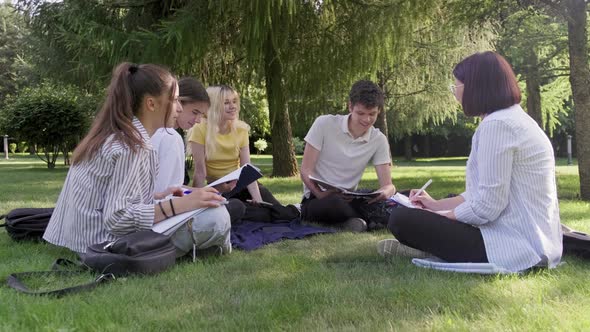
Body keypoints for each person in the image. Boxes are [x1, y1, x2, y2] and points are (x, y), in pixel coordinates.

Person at [378, 51, 562, 273]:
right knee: (423, 209)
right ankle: (436, 246)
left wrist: (438, 216)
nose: (455, 94)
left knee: (401, 218)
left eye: (457, 86)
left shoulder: (498, 125)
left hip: (513, 247)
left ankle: (431, 249)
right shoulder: (513, 119)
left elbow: (487, 206)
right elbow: (480, 192)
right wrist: (436, 205)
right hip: (531, 241)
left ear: (476, 87)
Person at [43, 63, 227, 256]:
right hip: (103, 245)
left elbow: (108, 196)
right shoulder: (132, 146)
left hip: (80, 240)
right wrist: (181, 204)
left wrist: (159, 196)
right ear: (151, 104)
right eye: (174, 100)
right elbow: (117, 219)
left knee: (211, 211)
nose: (180, 108)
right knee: (215, 217)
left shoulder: (116, 134)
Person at [150, 77, 235, 254]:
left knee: (223, 205)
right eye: (195, 112)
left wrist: (199, 192)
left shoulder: (155, 132)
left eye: (201, 115)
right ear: (177, 103)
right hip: (157, 220)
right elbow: (163, 195)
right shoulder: (169, 137)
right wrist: (195, 198)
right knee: (222, 213)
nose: (197, 120)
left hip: (155, 214)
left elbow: (168, 189)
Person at [300, 80, 396, 232]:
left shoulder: (378, 139)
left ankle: (354, 222)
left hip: (350, 199)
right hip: (318, 199)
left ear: (379, 110)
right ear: (350, 106)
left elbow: (388, 185)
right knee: (335, 204)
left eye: (372, 114)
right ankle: (370, 219)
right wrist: (321, 194)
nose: (366, 120)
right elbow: (305, 171)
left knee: (404, 195)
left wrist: (386, 192)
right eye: (361, 113)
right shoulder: (324, 124)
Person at [189, 85, 284, 219]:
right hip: (217, 190)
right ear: (214, 105)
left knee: (273, 208)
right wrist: (197, 203)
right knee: (238, 207)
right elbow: (200, 172)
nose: (232, 106)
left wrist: (257, 199)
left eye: (234, 101)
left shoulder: (241, 129)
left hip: (239, 186)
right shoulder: (200, 129)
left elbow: (247, 170)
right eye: (226, 103)